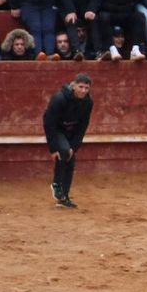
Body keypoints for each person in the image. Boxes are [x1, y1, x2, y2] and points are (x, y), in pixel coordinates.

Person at [42, 71, 91, 208]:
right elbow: (48, 122)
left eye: (86, 88)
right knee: (63, 151)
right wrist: (53, 148)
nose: (83, 91)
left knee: (70, 159)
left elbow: (83, 126)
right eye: (81, 87)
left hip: (71, 131)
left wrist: (74, 147)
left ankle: (64, 198)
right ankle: (56, 183)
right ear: (74, 86)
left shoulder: (88, 102)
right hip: (57, 129)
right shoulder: (59, 98)